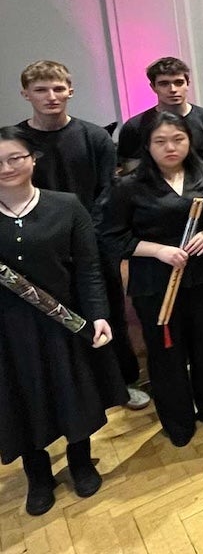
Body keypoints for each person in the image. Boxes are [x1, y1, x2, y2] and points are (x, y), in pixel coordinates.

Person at [0, 128, 127, 516]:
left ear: (32, 160)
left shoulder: (67, 206)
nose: (6, 168)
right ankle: (37, 474)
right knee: (21, 397)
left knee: (72, 390)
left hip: (63, 320)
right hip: (6, 330)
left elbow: (88, 268)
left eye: (15, 158)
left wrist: (99, 314)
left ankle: (80, 461)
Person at [12, 60, 148, 410]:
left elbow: (108, 192)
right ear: (25, 94)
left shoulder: (95, 137)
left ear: (70, 91)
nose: (51, 96)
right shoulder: (14, 143)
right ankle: (68, 391)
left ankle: (120, 383)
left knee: (108, 312)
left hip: (93, 243)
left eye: (58, 88)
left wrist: (84, 234)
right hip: (40, 248)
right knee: (51, 318)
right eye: (41, 90)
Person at [100, 111, 203, 447]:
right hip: (155, 283)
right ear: (147, 145)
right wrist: (158, 250)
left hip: (202, 278)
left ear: (190, 141)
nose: (170, 147)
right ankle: (178, 421)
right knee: (166, 352)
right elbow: (113, 238)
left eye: (178, 139)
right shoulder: (128, 186)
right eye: (160, 141)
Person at [117, 56, 203, 175]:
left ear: (188, 84)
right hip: (154, 192)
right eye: (164, 84)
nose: (173, 89)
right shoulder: (135, 126)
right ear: (153, 87)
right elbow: (132, 174)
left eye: (179, 82)